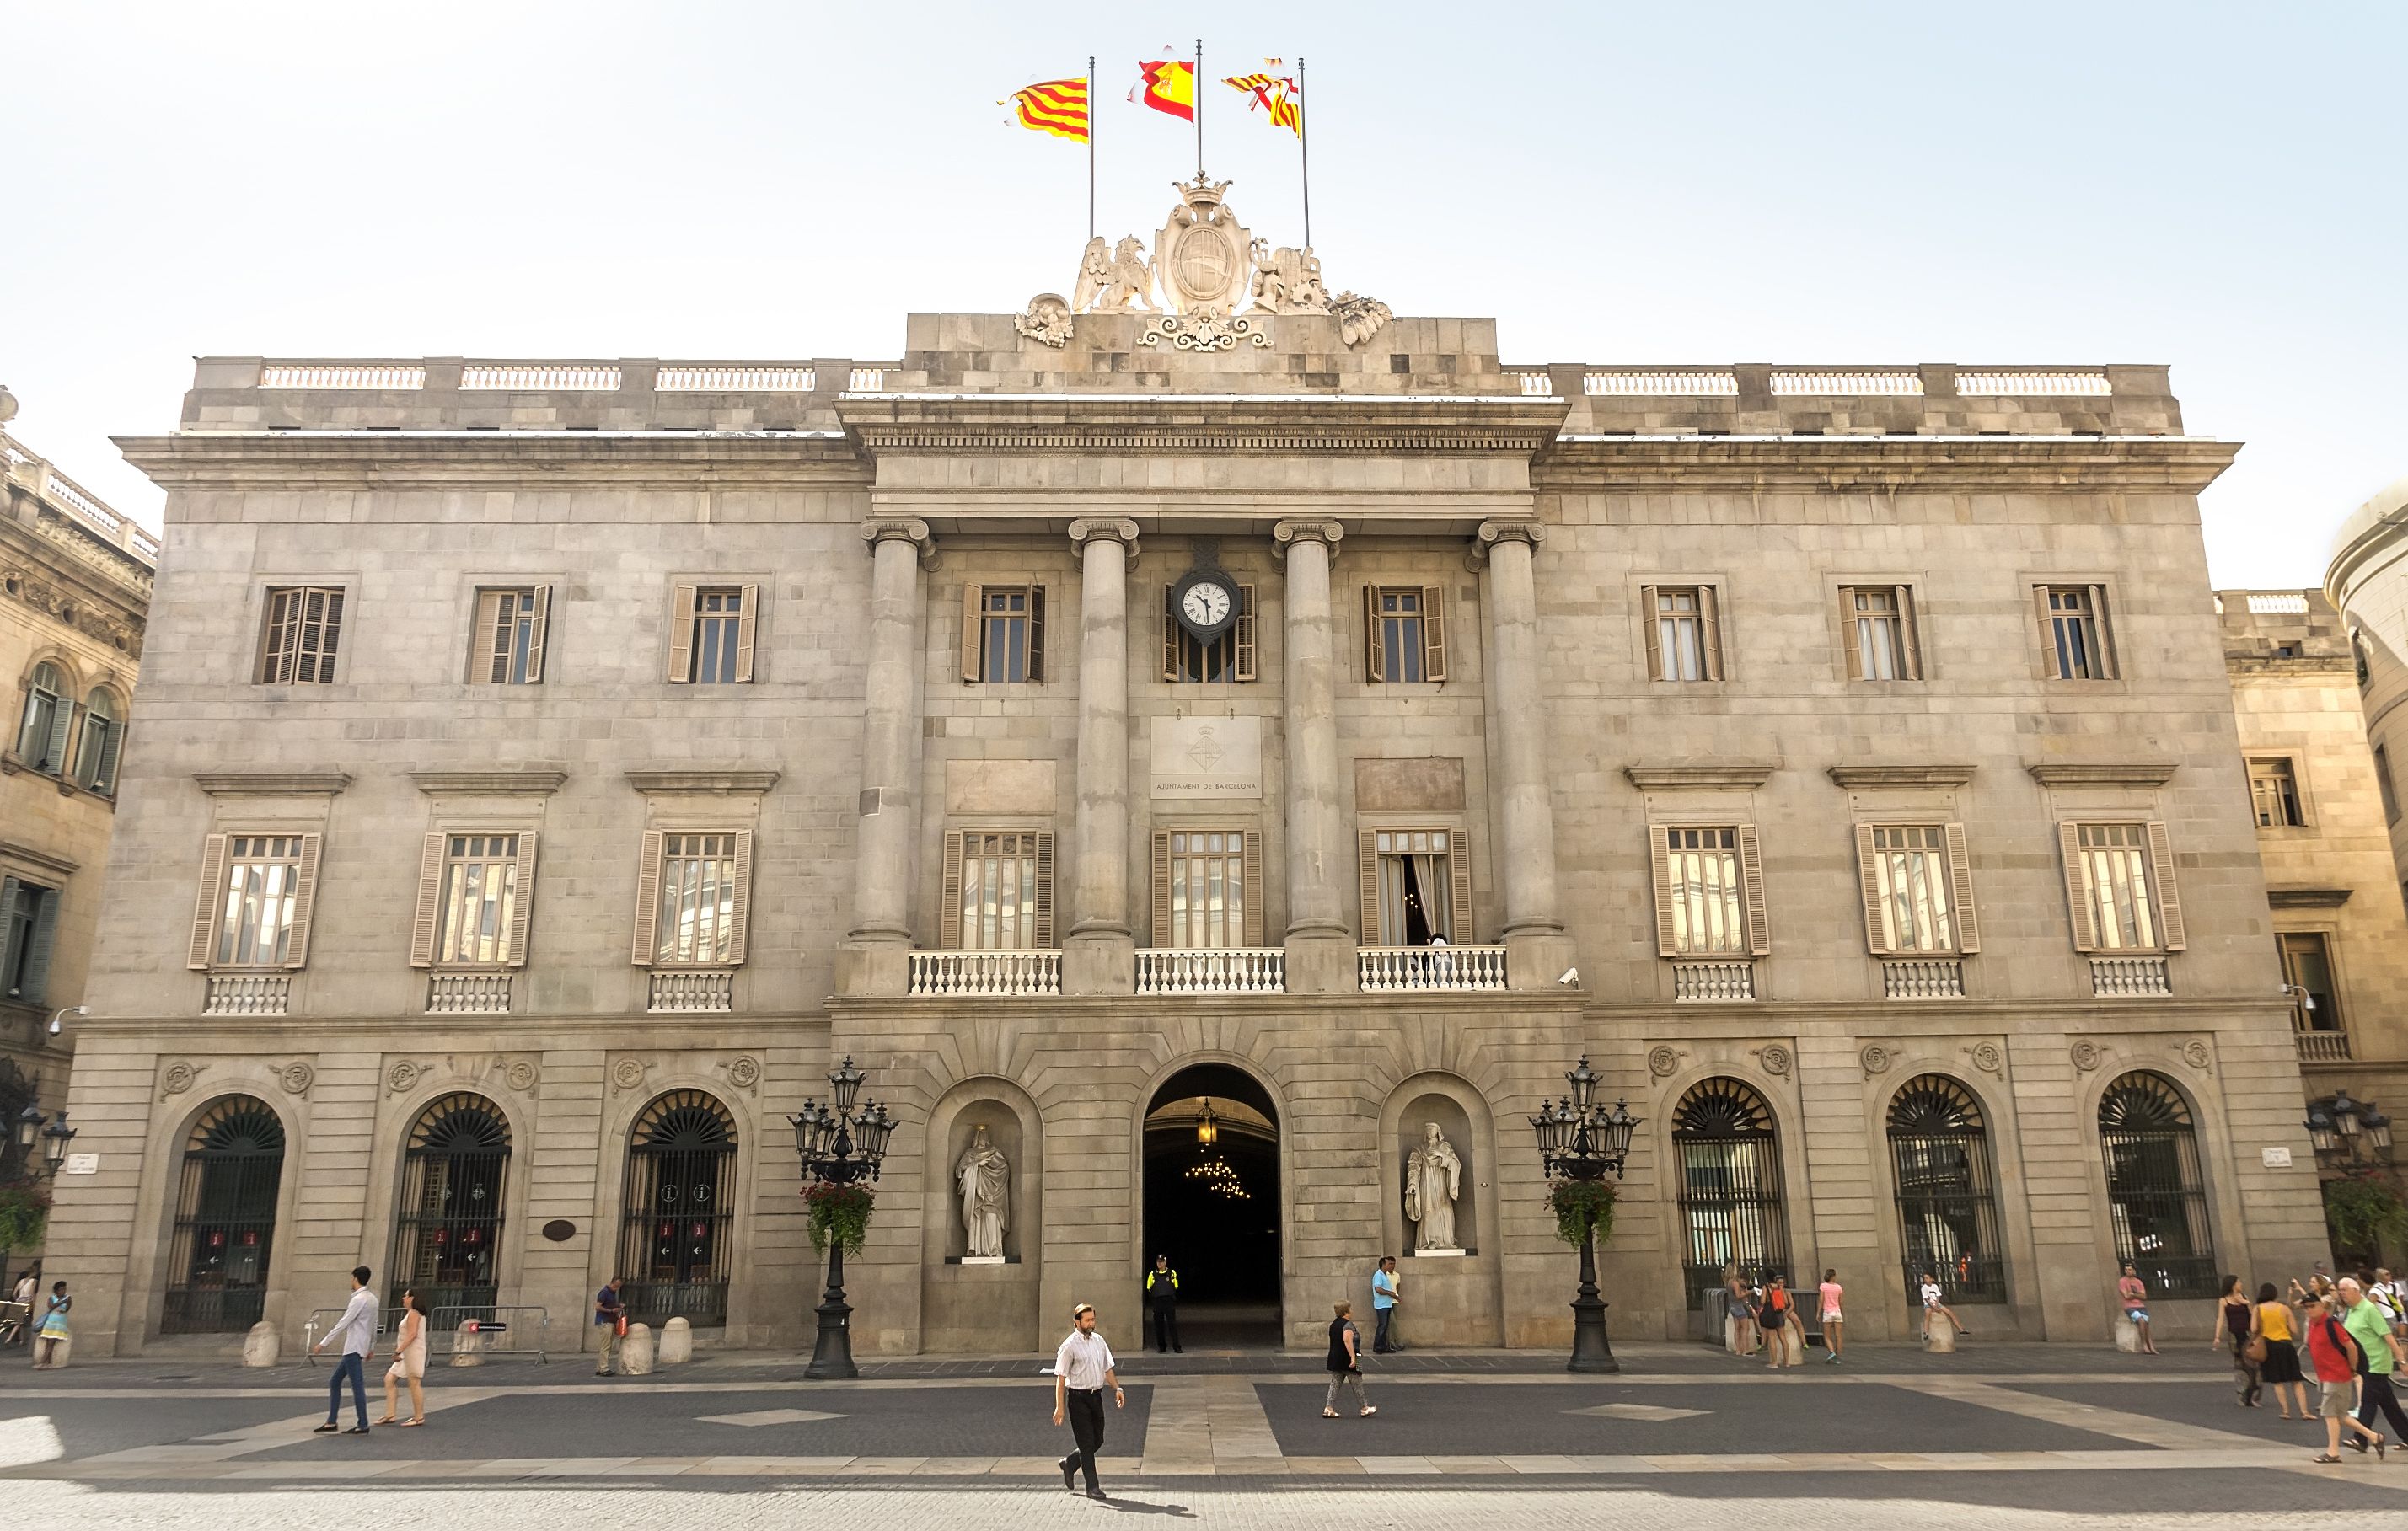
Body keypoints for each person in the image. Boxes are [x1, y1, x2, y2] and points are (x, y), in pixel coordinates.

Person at [1051, 1302, 1123, 1502]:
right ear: (1077, 1322)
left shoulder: (1099, 1341)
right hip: (1078, 1398)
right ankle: (1092, 1487)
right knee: (1086, 1443)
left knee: (1097, 1440)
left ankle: (1070, 1463)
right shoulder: (1069, 1346)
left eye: (1093, 1319)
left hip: (1095, 1396)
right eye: (1088, 1320)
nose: (1091, 1323)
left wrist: (1117, 1388)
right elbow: (1061, 1378)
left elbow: (1107, 1368)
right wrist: (1060, 1406)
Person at [2306, 1292, 2386, 1463]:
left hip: (2337, 1374)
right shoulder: (2313, 1324)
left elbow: (2351, 1347)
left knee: (2329, 1413)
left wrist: (2352, 1368)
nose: (2309, 1310)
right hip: (2326, 1375)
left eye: (2312, 1306)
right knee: (2340, 1415)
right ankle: (2374, 1437)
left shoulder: (2330, 1323)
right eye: (2306, 1307)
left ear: (2321, 1306)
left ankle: (2333, 1452)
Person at [2341, 1277, 2408, 1446]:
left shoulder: (2369, 1309)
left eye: (2345, 1290)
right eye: (2340, 1290)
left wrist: (2402, 1361)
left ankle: (2362, 1438)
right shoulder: (2351, 1311)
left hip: (2376, 1363)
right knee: (2388, 1404)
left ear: (2356, 1290)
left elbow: (2388, 1337)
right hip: (2363, 1364)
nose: (2342, 1294)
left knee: (2368, 1400)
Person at [309, 1266, 377, 1434]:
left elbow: (343, 1322)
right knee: (335, 1381)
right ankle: (332, 1421)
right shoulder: (372, 1299)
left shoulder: (358, 1300)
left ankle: (362, 1423)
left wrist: (323, 1343)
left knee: (357, 1385)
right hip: (360, 1346)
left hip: (353, 1347)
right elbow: (374, 1325)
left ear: (355, 1279)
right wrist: (371, 1347)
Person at [2252, 1281, 2308, 1419]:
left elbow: (2253, 1329)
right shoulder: (2284, 1309)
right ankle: (2304, 1411)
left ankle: (2285, 1411)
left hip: (2269, 1346)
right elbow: (2294, 1330)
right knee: (2296, 1380)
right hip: (2286, 1345)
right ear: (2275, 1294)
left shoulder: (2257, 1309)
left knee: (2277, 1382)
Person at [379, 1289, 428, 1427]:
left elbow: (412, 1335)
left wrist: (398, 1351)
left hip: (412, 1352)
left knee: (414, 1383)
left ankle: (419, 1417)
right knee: (389, 1379)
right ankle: (390, 1414)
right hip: (407, 1352)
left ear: (412, 1298)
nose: (403, 1298)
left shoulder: (414, 1313)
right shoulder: (412, 1313)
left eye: (406, 1296)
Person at [2212, 1275, 2260, 1407]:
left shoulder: (2244, 1297)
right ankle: (2242, 1394)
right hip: (2234, 1335)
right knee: (2240, 1365)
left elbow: (2253, 1314)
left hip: (2247, 1334)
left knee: (2253, 1364)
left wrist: (2246, 1303)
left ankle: (2253, 1394)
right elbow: (2220, 1319)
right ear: (2233, 1285)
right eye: (2239, 1282)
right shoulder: (2224, 1300)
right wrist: (2217, 1337)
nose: (2241, 1284)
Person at [1322, 1299, 1376, 1419]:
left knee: (1335, 1384)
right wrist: (1353, 1357)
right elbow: (1347, 1340)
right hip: (1354, 1356)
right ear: (1346, 1311)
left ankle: (1328, 1407)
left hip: (1335, 1357)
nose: (1352, 1311)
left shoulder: (1334, 1324)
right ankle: (1364, 1408)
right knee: (1358, 1383)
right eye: (1351, 1309)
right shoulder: (1348, 1325)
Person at [1145, 1255, 1182, 1355]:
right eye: (1158, 1262)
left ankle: (1176, 1346)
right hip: (1158, 1302)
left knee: (1172, 1324)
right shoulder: (1153, 1274)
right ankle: (1162, 1346)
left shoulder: (1171, 1273)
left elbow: (1176, 1286)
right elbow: (1149, 1287)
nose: (1159, 1264)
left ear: (1165, 1262)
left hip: (1169, 1301)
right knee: (1158, 1325)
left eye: (1161, 1262)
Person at [2116, 1264, 2157, 1354]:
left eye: (2130, 1269)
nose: (2128, 1271)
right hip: (2129, 1307)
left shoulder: (2138, 1282)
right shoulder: (2122, 1281)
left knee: (2146, 1322)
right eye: (2126, 1269)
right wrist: (2137, 1295)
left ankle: (2151, 1345)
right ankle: (2144, 1345)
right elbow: (2126, 1296)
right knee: (2140, 1320)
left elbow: (2144, 1296)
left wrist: (2133, 1295)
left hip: (2141, 1306)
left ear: (2134, 1271)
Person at [30, 1280, 70, 1369]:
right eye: (61, 1289)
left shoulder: (68, 1298)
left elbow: (67, 1308)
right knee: (49, 1343)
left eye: (64, 1289)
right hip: (50, 1323)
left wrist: (64, 1303)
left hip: (60, 1323)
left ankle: (44, 1362)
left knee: (51, 1343)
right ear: (56, 1291)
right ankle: (47, 1362)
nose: (63, 1291)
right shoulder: (52, 1298)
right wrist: (61, 1302)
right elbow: (51, 1306)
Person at [1921, 1271, 1969, 1345]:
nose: (1925, 1280)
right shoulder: (1924, 1288)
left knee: (1950, 1313)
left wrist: (1937, 1305)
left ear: (1931, 1279)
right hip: (1928, 1304)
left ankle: (1961, 1329)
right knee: (1928, 1315)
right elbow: (1926, 1299)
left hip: (1937, 1304)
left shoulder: (1935, 1286)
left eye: (1927, 1278)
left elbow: (1938, 1296)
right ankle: (1926, 1333)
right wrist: (1933, 1307)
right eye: (1924, 1278)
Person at [1760, 1275, 1797, 1368]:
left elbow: (1763, 1301)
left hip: (1770, 1314)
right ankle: (1787, 1362)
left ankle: (1774, 1363)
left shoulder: (1766, 1288)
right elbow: (1785, 1303)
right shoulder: (1780, 1288)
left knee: (1772, 1339)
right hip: (1780, 1314)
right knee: (1783, 1338)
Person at [593, 1276, 625, 1376]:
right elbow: (598, 1307)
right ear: (612, 1283)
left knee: (606, 1345)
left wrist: (618, 1306)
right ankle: (604, 1368)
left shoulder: (611, 1293)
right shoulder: (604, 1292)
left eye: (618, 1287)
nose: (616, 1289)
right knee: (606, 1346)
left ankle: (600, 1367)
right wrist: (612, 1311)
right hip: (605, 1321)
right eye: (615, 1287)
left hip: (609, 1321)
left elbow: (609, 1305)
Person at [1371, 1256, 1402, 1353]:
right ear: (1383, 1265)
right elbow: (1378, 1289)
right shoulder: (1378, 1275)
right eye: (1390, 1264)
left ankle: (1385, 1346)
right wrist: (1390, 1293)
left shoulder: (1384, 1275)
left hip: (1387, 1305)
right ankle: (1378, 1347)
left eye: (1393, 1264)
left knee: (1385, 1327)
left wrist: (1394, 1296)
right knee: (1382, 1326)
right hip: (1381, 1306)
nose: (1392, 1266)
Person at [1817, 1269, 1845, 1364]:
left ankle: (1832, 1352)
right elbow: (1841, 1302)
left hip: (1828, 1312)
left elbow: (1821, 1300)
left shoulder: (1823, 1286)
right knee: (1838, 1336)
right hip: (1837, 1312)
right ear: (1834, 1276)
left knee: (1827, 1336)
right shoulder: (1839, 1287)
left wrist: (1818, 1313)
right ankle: (1837, 1357)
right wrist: (1842, 1312)